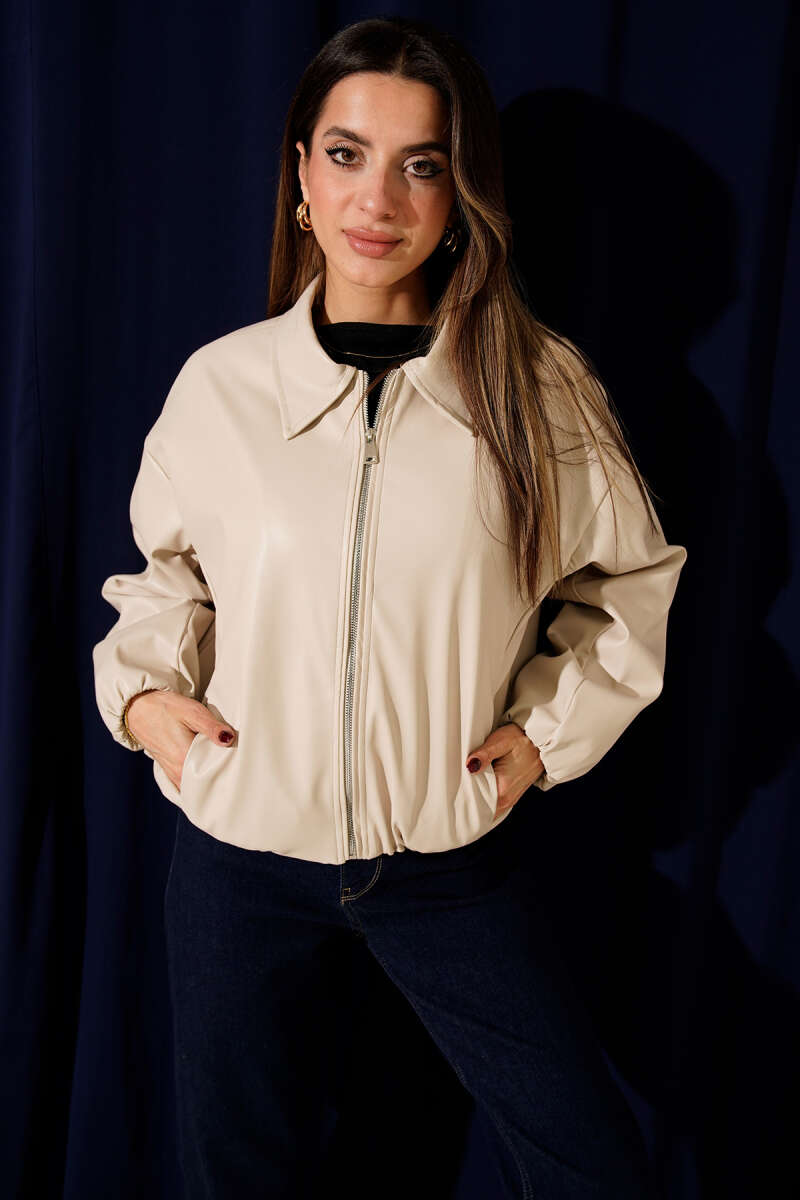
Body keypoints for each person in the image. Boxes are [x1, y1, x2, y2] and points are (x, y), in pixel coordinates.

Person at [92, 16, 687, 1199]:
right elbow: (167, 576)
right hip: (238, 856)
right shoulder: (223, 387)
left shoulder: (536, 389)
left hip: (443, 859)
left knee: (585, 1162)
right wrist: (146, 702)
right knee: (240, 1174)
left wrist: (542, 739)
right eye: (346, 153)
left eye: (421, 163)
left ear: (460, 193)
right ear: (300, 175)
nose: (378, 198)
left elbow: (625, 585)